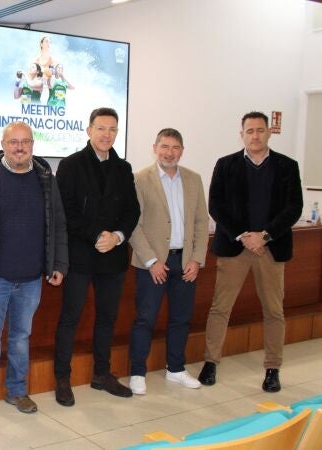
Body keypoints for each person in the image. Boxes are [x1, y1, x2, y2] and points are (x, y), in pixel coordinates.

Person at [0, 121, 68, 418]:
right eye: (13, 142)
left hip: (32, 277)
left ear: (33, 145)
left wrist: (59, 263)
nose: (19, 147)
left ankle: (17, 391)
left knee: (21, 337)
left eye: (25, 142)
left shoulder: (46, 179)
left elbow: (58, 224)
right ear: (3, 144)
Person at [198, 111, 303, 393]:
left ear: (268, 132)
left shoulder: (287, 166)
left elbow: (294, 207)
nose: (255, 135)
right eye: (249, 131)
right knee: (220, 308)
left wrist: (264, 235)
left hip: (270, 247)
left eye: (260, 130)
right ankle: (210, 363)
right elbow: (215, 205)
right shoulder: (226, 165)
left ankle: (272, 369)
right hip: (235, 247)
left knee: (274, 310)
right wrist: (244, 235)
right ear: (241, 134)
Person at [53, 107, 140, 404]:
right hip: (80, 254)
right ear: (89, 130)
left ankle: (102, 374)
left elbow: (132, 210)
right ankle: (62, 378)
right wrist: (97, 236)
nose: (107, 134)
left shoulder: (123, 168)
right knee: (70, 318)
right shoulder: (71, 165)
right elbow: (66, 211)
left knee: (107, 318)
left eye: (112, 129)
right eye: (101, 128)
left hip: (113, 256)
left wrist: (117, 237)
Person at [127, 128, 209, 395]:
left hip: (184, 262)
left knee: (181, 319)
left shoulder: (194, 179)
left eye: (175, 147)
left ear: (182, 151)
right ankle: (137, 372)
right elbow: (134, 225)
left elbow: (201, 222)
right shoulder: (140, 179)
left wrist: (196, 259)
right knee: (145, 319)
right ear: (155, 148)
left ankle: (176, 368)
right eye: (164, 146)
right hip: (152, 264)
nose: (169, 152)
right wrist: (151, 261)